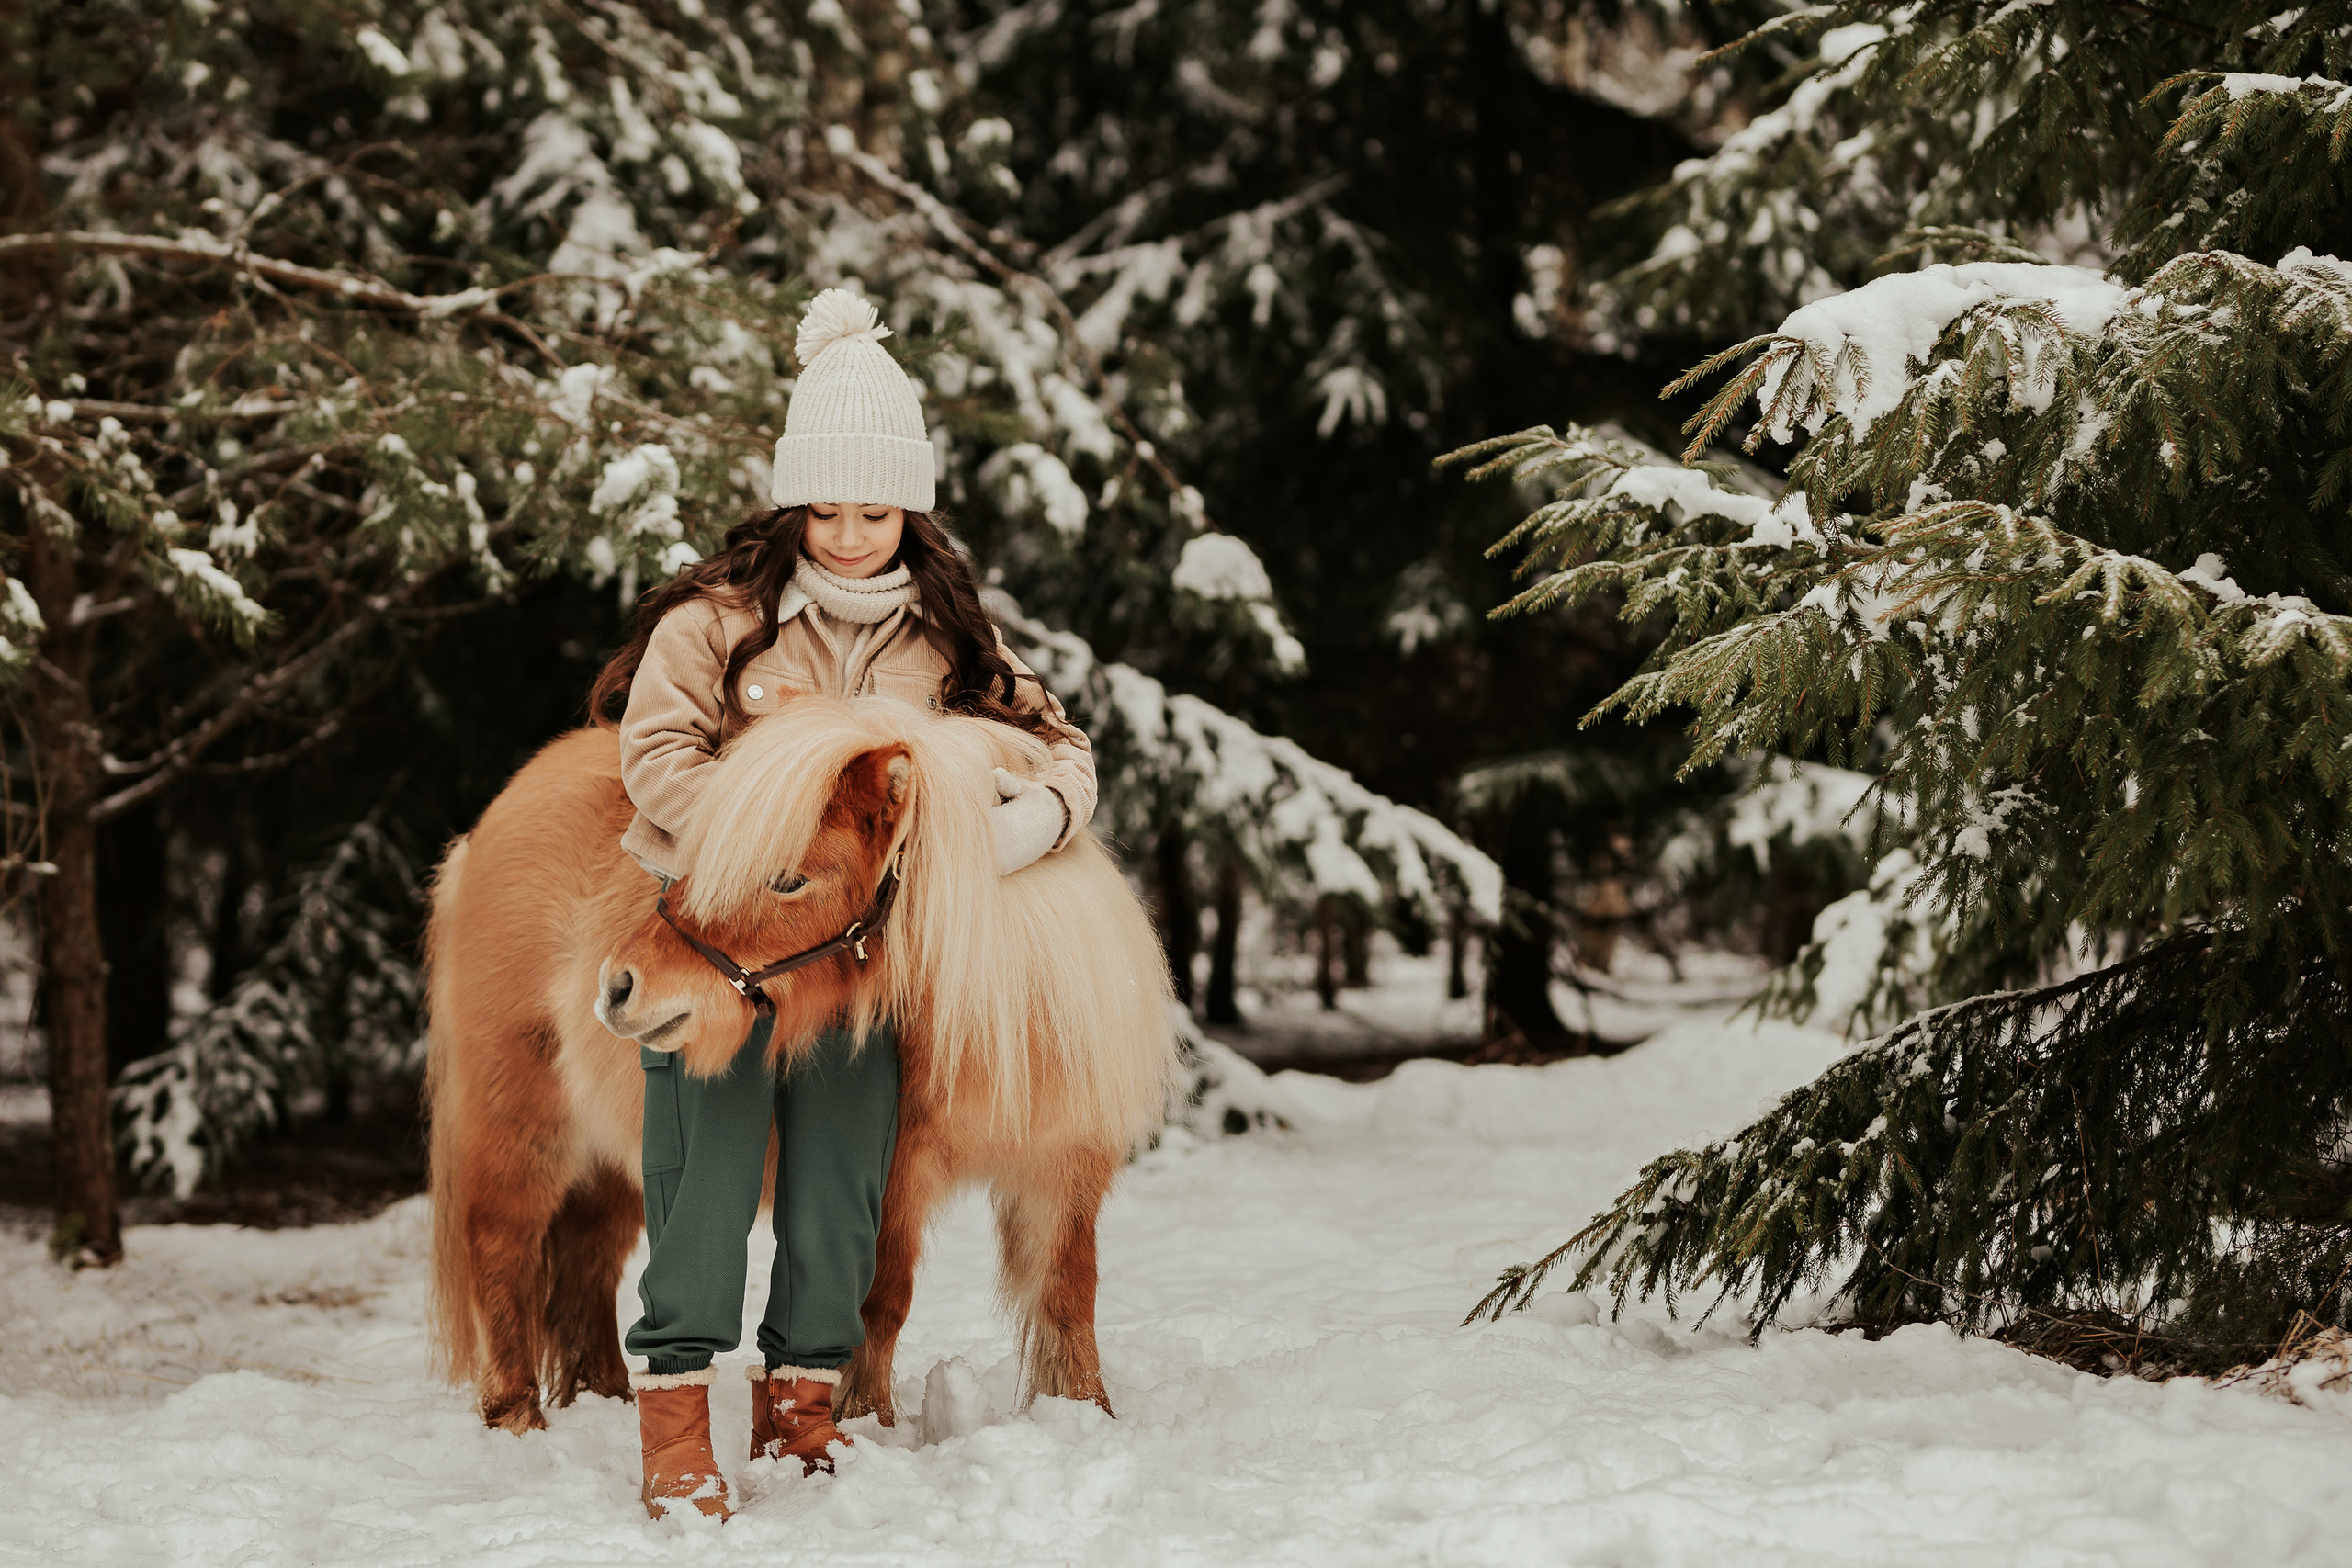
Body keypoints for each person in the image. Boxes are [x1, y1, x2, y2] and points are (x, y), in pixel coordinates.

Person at [585, 289, 1098, 1520]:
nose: (855, 535)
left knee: (840, 1188)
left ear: (910, 509)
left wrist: (1018, 825)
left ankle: (802, 1411)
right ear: (792, 503)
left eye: (878, 511)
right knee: (700, 1183)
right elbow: (651, 757)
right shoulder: (719, 623)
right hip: (721, 943)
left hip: (861, 962)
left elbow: (1063, 754)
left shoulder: (952, 638)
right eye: (830, 509)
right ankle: (675, 1427)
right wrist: (762, 829)